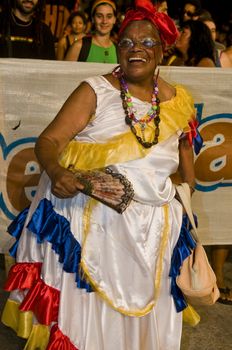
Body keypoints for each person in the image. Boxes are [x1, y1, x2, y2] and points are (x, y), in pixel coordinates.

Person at [1, 0, 202, 349]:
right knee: (90, 306)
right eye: (126, 43)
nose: (135, 48)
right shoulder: (95, 90)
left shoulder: (177, 100)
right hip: (93, 223)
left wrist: (181, 195)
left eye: (147, 42)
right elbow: (49, 140)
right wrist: (56, 170)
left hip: (154, 230)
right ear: (117, 51)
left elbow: (187, 163)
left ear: (163, 50)